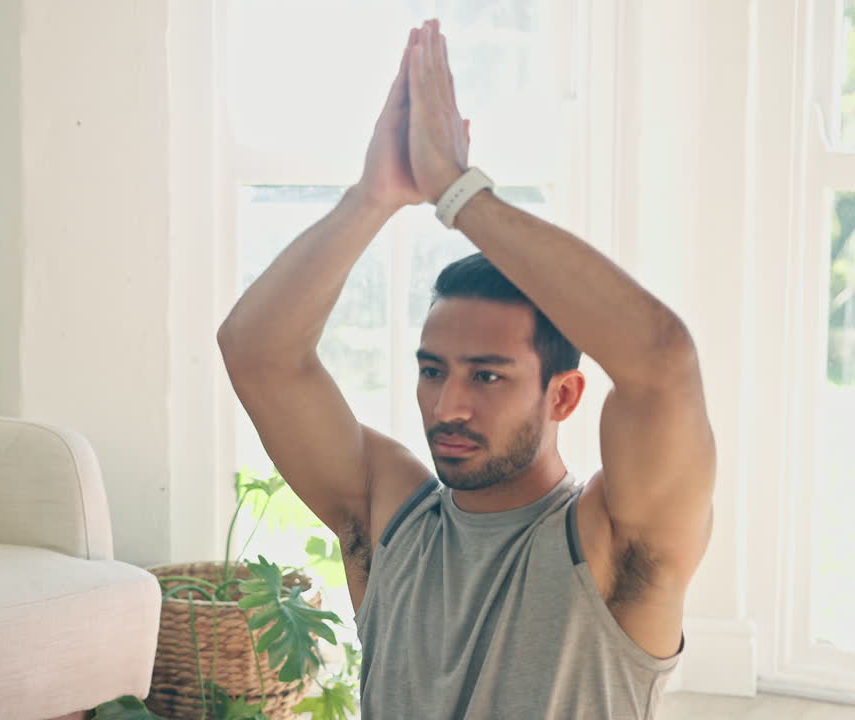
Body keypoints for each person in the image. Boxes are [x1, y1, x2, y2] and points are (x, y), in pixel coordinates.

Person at [217, 18, 715, 720]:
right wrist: (374, 197)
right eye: (432, 371)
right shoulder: (388, 516)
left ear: (563, 395)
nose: (447, 406)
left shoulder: (615, 545)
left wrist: (458, 192)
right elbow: (256, 353)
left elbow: (662, 360)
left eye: (487, 376)